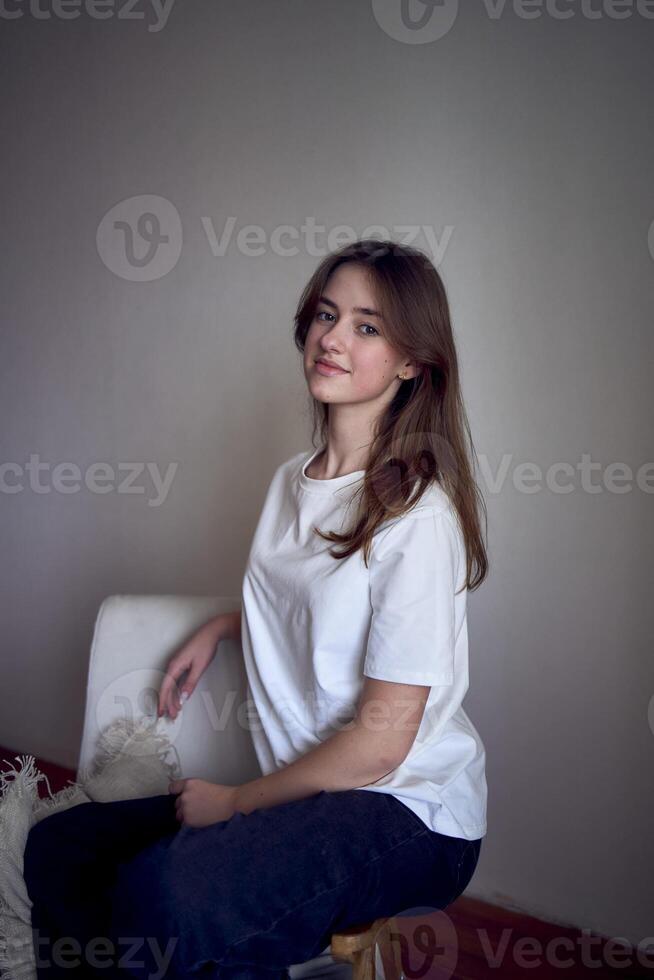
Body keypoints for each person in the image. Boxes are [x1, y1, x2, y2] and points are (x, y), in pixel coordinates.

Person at [23, 239, 489, 979]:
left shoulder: (416, 515)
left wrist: (237, 801)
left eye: (368, 326)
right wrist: (222, 625)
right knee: (60, 848)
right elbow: (317, 603)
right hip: (317, 792)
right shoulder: (290, 482)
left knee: (169, 894)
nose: (333, 337)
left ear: (411, 361)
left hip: (406, 812)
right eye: (327, 316)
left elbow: (381, 743)